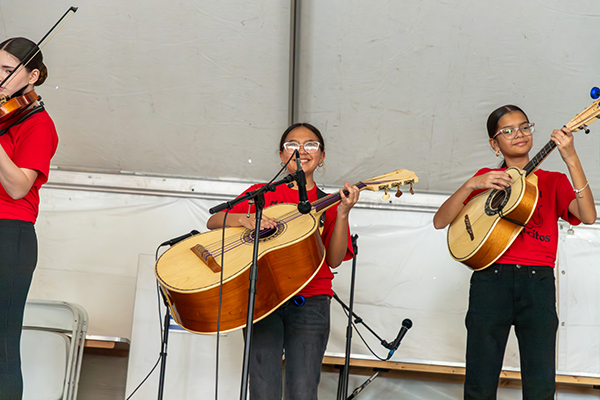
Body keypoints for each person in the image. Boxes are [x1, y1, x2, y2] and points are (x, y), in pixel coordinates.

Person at [433, 104, 596, 399]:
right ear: (495, 144)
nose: (518, 134)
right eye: (507, 131)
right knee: (480, 381)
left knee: (540, 381)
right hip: (489, 280)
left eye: (524, 126)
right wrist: (472, 183)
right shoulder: (485, 178)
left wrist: (570, 157)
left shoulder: (552, 181)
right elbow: (440, 221)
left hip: (538, 284)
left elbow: (588, 215)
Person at [207, 122, 359, 400]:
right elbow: (213, 220)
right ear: (281, 155)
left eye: (310, 144)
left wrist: (345, 213)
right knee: (263, 390)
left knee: (303, 392)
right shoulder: (261, 193)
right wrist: (245, 219)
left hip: (311, 300)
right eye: (292, 145)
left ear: (322, 157)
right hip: (263, 298)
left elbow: (335, 260)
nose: (301, 150)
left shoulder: (331, 203)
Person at [0, 37, 59, 399]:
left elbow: (20, 186)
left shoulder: (39, 124)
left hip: (10, 234)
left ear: (32, 76)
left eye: (7, 71)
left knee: (2, 342)